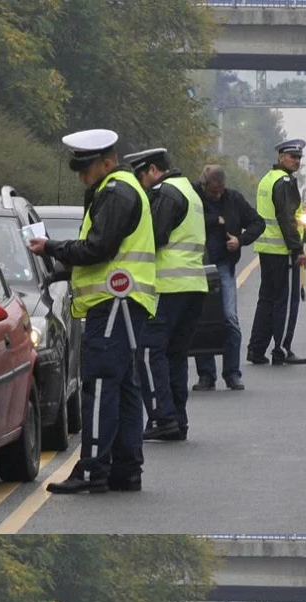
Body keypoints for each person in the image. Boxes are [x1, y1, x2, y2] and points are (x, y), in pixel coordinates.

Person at [28, 130, 156, 494]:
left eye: (86, 169)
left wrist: (51, 247)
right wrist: (62, 268)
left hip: (114, 303)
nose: (82, 176)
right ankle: (126, 469)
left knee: (99, 384)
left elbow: (99, 248)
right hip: (124, 302)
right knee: (124, 385)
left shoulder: (116, 192)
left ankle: (92, 469)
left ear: (107, 162)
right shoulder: (116, 190)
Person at [124, 148, 208, 442]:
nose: (141, 184)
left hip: (167, 285)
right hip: (193, 285)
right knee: (175, 354)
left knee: (148, 351)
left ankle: (162, 417)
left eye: (141, 176)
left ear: (152, 170)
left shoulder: (166, 193)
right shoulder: (190, 192)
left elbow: (154, 237)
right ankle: (177, 419)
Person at [192, 165, 264, 392]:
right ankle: (206, 375)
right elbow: (187, 220)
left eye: (221, 190)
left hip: (224, 265)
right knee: (200, 319)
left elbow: (257, 222)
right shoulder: (192, 196)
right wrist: (216, 220)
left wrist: (240, 240)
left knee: (229, 318)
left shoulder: (233, 199)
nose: (218, 194)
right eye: (213, 191)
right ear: (203, 185)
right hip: (196, 267)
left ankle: (232, 373)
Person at [247, 139, 306, 367]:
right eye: (293, 157)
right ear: (281, 157)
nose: (297, 161)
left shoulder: (267, 179)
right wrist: (297, 248)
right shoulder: (284, 182)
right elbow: (287, 218)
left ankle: (256, 349)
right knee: (287, 301)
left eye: (299, 158)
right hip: (283, 251)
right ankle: (282, 349)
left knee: (266, 300)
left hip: (267, 249)